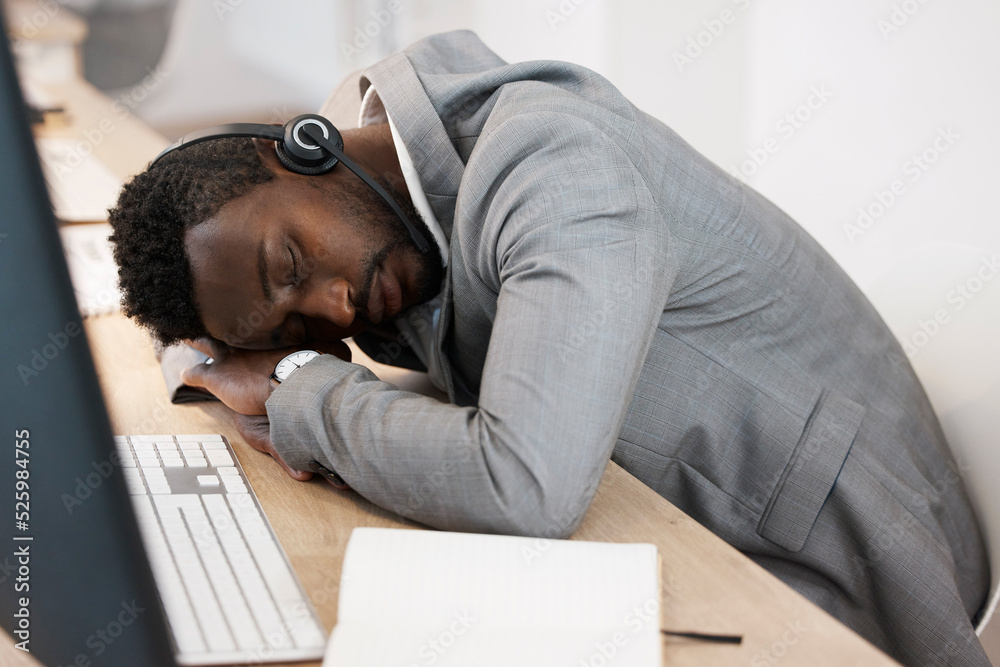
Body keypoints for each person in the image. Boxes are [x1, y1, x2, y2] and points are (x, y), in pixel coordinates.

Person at [107, 30, 990, 666]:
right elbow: (217, 303)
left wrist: (299, 382)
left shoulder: (558, 172)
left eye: (291, 261)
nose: (333, 303)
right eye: (295, 324)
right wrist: (206, 355)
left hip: (836, 579)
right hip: (671, 511)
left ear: (299, 148)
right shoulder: (372, 165)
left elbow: (523, 486)